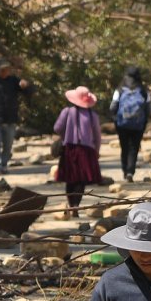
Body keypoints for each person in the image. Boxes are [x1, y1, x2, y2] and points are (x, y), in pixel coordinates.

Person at [53, 86, 103, 217]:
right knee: (81, 180)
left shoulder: (67, 112)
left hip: (70, 149)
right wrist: (97, 150)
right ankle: (76, 205)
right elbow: (97, 136)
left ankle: (71, 204)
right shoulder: (93, 116)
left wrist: (66, 135)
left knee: (70, 178)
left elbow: (57, 128)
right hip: (87, 151)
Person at [110, 67, 151, 183]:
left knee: (124, 147)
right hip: (138, 124)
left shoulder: (120, 89)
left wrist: (115, 118)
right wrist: (144, 120)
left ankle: (125, 171)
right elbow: (149, 109)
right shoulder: (143, 90)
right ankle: (130, 172)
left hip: (122, 124)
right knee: (134, 148)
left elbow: (113, 106)